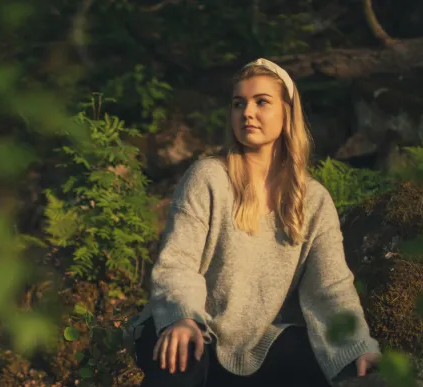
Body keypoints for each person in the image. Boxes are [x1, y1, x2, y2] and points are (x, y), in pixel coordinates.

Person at [125, 58, 382, 387]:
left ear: (287, 113)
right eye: (238, 103)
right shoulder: (208, 177)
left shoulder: (314, 201)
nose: (247, 112)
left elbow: (330, 288)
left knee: (354, 374)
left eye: (261, 102)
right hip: (189, 327)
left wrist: (357, 346)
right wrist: (183, 317)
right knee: (183, 354)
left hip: (258, 342)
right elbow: (178, 264)